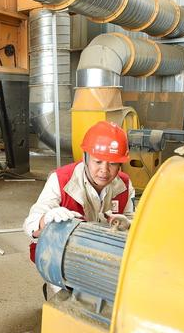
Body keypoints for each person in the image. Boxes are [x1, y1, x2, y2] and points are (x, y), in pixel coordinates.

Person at [23, 121, 135, 291]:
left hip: (103, 253)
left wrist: (128, 224)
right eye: (98, 161)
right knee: (72, 297)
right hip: (61, 254)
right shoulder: (61, 179)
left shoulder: (125, 184)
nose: (104, 170)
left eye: (112, 163)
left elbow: (132, 222)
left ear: (120, 164)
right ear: (85, 157)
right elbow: (30, 224)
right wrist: (46, 219)